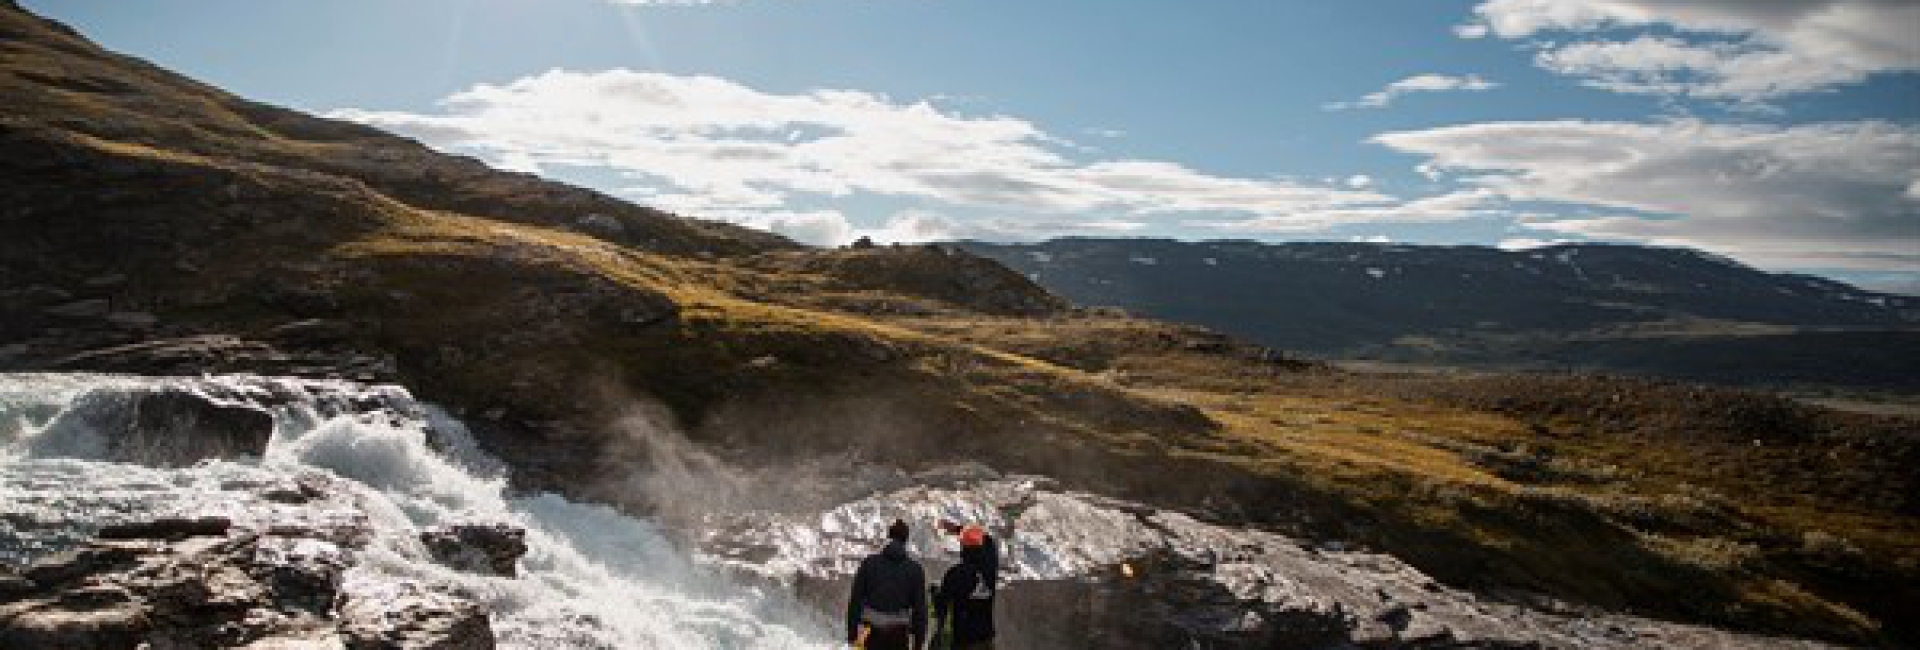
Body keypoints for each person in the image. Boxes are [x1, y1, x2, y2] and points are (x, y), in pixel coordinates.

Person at [847, 519, 928, 650]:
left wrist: (852, 633)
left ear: (888, 537)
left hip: (870, 633)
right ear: (905, 540)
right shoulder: (915, 570)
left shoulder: (869, 563)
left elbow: (855, 600)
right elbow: (920, 610)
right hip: (898, 635)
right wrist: (918, 642)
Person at [932, 524, 998, 650]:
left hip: (964, 641)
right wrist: (959, 530)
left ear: (963, 550)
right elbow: (989, 542)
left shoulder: (955, 574)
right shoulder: (990, 570)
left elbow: (942, 606)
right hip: (986, 640)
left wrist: (935, 594)